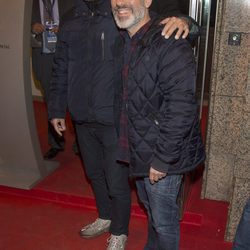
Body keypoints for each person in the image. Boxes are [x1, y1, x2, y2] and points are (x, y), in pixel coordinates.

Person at [48, 0, 199, 249]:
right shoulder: (76, 19)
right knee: (102, 178)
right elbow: (61, 66)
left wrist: (188, 23)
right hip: (99, 123)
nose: (120, 1)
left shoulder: (129, 19)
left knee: (133, 194)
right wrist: (56, 108)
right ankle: (108, 218)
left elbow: (164, 24)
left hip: (127, 125)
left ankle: (120, 231)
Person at [111, 0, 205, 249]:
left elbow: (181, 107)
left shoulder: (169, 40)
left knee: (164, 223)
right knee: (152, 213)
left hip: (161, 156)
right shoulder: (123, 40)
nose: (119, 2)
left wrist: (162, 159)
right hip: (138, 148)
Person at [31, 0, 75, 159]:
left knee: (75, 99)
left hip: (69, 56)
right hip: (43, 58)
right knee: (51, 101)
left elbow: (82, 26)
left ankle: (80, 143)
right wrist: (32, 29)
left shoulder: (71, 3)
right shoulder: (30, 5)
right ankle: (56, 143)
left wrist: (64, 29)